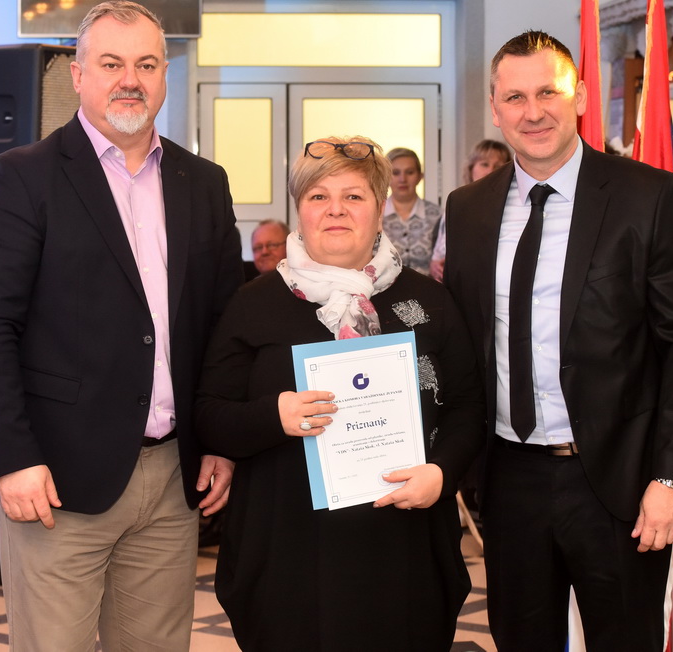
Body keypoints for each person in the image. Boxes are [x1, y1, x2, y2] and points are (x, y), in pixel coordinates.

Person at [0, 2, 243, 650]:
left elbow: (224, 326)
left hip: (172, 479)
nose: (130, 80)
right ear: (78, 75)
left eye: (146, 64)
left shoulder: (204, 183)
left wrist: (222, 438)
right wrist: (13, 459)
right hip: (55, 480)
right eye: (111, 63)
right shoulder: (22, 177)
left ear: (165, 75)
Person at [443, 31, 673, 651]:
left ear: (582, 97)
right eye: (515, 97)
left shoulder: (648, 195)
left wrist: (672, 479)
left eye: (549, 92)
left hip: (619, 484)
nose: (532, 112)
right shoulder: (468, 208)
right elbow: (462, 341)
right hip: (508, 480)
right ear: (495, 108)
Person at [195, 136, 480, 651]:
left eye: (353, 196)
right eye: (318, 196)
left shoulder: (429, 300)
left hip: (405, 550)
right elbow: (210, 415)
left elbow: (467, 407)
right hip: (286, 552)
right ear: (299, 209)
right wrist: (273, 415)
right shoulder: (253, 304)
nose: (336, 210)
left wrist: (442, 473)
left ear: (380, 206)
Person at [430, 139, 512, 281]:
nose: (490, 170)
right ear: (471, 168)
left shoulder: (512, 206)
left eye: (498, 166)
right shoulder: (457, 203)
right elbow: (438, 255)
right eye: (484, 164)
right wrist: (435, 265)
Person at [381, 147, 442, 275]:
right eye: (396, 173)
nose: (402, 179)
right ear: (386, 177)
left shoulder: (438, 215)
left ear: (420, 176)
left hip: (427, 286)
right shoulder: (375, 215)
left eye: (409, 172)